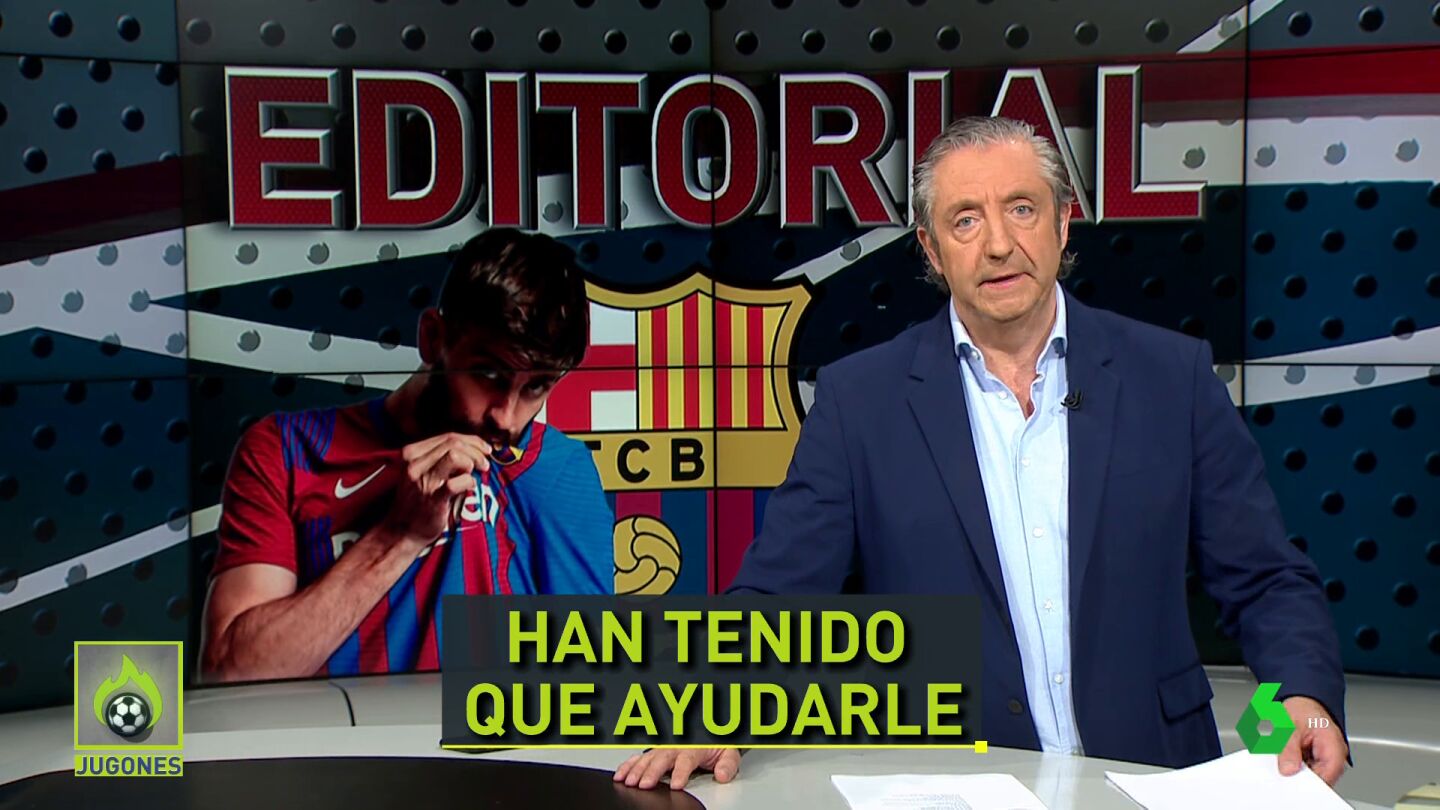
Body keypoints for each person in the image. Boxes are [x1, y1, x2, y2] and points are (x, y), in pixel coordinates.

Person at [615, 117, 1349, 790]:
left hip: (1149, 775)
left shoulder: (1170, 376)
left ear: (1063, 222)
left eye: (1021, 209)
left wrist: (1303, 696)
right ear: (932, 250)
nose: (998, 244)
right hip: (957, 783)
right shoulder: (861, 401)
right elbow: (780, 593)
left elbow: (1264, 578)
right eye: (965, 220)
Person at [200, 228, 615, 683]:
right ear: (433, 338)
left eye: (536, 387)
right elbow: (232, 674)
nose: (505, 416)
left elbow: (591, 684)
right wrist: (400, 536)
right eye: (489, 374)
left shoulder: (558, 469)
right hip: (336, 731)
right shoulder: (287, 450)